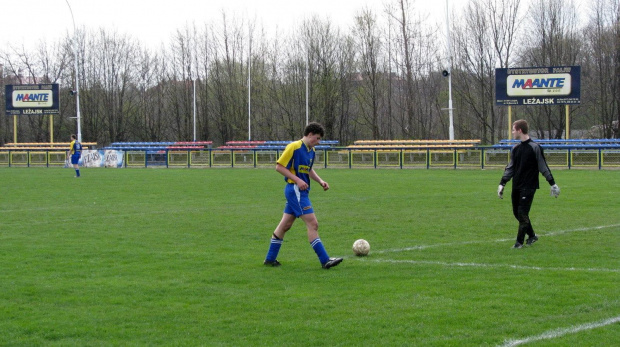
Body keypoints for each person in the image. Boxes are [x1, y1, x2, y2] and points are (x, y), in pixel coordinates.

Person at [264, 122, 343, 269]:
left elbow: (309, 170)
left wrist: (320, 181)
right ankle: (325, 260)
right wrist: (298, 180)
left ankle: (270, 259)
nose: (318, 142)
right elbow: (279, 167)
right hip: (295, 190)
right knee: (313, 224)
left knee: (285, 225)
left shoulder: (311, 151)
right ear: (310, 134)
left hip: (301, 191)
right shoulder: (294, 146)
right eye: (317, 138)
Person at [498, 119, 560, 249]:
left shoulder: (535, 147)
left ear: (520, 130)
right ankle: (532, 235)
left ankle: (519, 243)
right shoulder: (515, 149)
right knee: (517, 213)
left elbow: (543, 167)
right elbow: (510, 168)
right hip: (517, 185)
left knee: (522, 213)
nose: (512, 132)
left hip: (529, 186)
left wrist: (552, 183)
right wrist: (502, 183)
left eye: (513, 129)